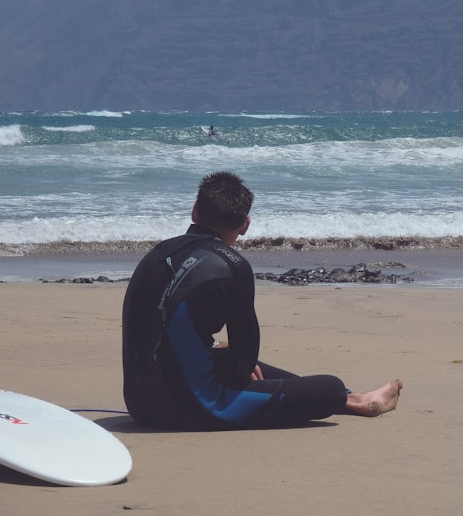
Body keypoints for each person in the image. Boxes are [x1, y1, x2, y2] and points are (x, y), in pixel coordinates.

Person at [121, 171, 402, 430]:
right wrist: (236, 363)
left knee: (223, 354)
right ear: (245, 225)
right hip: (191, 409)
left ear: (195, 210)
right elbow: (243, 364)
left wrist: (219, 351)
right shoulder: (231, 265)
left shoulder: (157, 254)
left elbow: (156, 326)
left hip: (138, 404)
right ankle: (351, 399)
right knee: (329, 386)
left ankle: (355, 399)